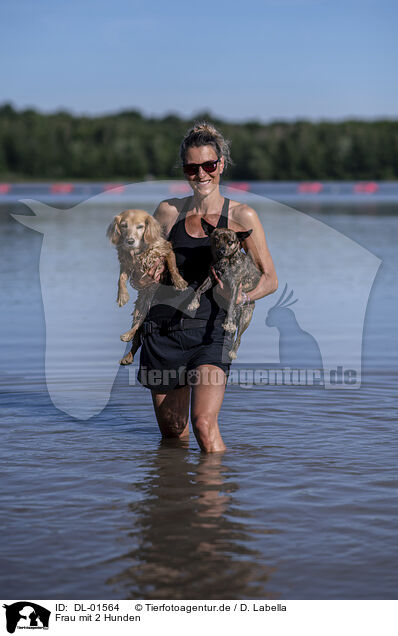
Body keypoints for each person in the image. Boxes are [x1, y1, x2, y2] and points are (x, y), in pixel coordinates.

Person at [136, 122, 278, 452]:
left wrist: (243, 296)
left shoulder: (243, 215)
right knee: (174, 431)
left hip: (213, 331)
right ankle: (178, 496)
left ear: (221, 165)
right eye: (191, 167)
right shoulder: (168, 211)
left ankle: (217, 500)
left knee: (203, 422)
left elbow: (269, 279)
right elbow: (141, 273)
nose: (201, 175)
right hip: (164, 329)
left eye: (208, 166)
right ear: (184, 170)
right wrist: (146, 274)